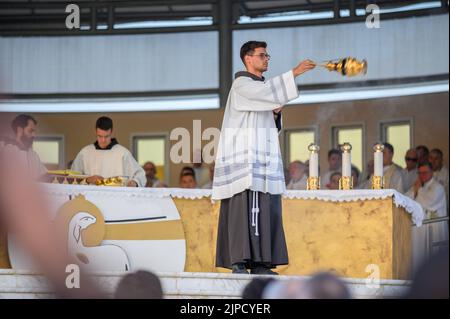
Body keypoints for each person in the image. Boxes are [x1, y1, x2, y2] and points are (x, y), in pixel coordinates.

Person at [212, 40, 315, 275]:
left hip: (262, 160)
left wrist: (276, 113)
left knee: (265, 208)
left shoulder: (261, 88)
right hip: (244, 161)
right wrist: (295, 73)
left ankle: (261, 262)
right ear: (248, 59)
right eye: (262, 55)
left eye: (267, 55)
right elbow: (265, 93)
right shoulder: (241, 85)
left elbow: (271, 121)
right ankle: (239, 260)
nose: (267, 58)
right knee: (242, 209)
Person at [71, 116, 146, 187]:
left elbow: (140, 174)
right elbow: (72, 177)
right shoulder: (85, 153)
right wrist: (88, 180)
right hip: (89, 198)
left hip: (116, 198)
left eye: (106, 136)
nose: (103, 140)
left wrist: (134, 182)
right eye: (100, 136)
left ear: (111, 132)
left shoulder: (122, 153)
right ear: (95, 132)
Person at [406, 162, 448, 273]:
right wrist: (416, 190)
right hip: (421, 228)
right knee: (420, 253)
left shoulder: (437, 187)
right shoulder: (418, 185)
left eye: (425, 172)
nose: (422, 175)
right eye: (420, 173)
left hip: (434, 226)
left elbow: (429, 202)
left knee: (432, 256)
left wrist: (418, 191)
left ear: (432, 172)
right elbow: (406, 199)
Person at [1, 114, 47, 179]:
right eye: (30, 131)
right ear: (20, 130)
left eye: (34, 131)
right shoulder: (4, 151)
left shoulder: (34, 156)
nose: (34, 135)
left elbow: (45, 176)